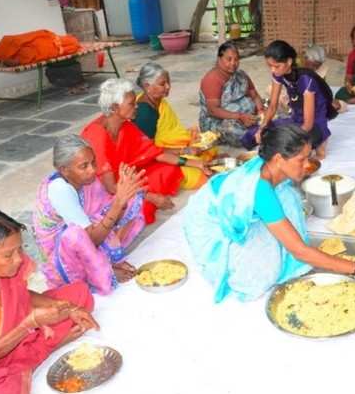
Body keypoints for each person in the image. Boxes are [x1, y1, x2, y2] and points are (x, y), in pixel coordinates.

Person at [182, 125, 355, 303]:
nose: (308, 165)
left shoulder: (271, 170)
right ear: (279, 159)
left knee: (289, 200)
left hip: (243, 201)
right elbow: (299, 251)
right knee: (260, 275)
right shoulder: (260, 191)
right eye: (301, 160)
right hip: (209, 223)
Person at [0, 208, 99, 394]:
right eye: (8, 255)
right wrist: (29, 324)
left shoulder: (4, 267)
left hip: (18, 332)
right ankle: (39, 352)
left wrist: (67, 309)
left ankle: (33, 353)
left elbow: (20, 296)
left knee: (79, 295)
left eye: (20, 249)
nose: (18, 259)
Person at [81, 78, 211, 224]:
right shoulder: (97, 134)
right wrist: (151, 197)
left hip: (126, 178)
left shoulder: (126, 126)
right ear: (114, 108)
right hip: (104, 189)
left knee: (168, 169)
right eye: (131, 103)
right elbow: (110, 187)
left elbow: (155, 153)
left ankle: (144, 196)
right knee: (140, 208)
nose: (136, 106)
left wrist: (192, 162)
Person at [33, 135, 147, 295]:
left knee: (132, 198)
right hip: (62, 253)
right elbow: (89, 239)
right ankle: (100, 273)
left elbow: (103, 208)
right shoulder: (60, 190)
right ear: (64, 169)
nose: (92, 170)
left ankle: (108, 260)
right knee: (76, 235)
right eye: (84, 166)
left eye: (93, 162)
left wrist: (123, 198)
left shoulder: (86, 180)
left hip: (87, 232)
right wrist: (118, 203)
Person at [134, 62, 218, 187]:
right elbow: (151, 152)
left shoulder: (157, 101)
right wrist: (184, 151)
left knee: (206, 146)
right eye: (162, 84)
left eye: (168, 82)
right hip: (153, 157)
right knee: (196, 172)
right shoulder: (145, 113)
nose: (168, 87)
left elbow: (170, 130)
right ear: (147, 86)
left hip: (168, 147)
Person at [256, 40, 338, 159]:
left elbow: (308, 123)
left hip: (314, 125)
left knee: (288, 146)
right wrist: (262, 127)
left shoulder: (306, 80)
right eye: (270, 66)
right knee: (264, 132)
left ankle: (321, 141)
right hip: (296, 121)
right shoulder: (278, 75)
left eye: (276, 66)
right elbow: (272, 106)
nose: (272, 70)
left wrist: (289, 138)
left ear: (289, 62)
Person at [198, 41, 265, 148]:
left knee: (269, 115)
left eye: (236, 59)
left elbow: (254, 95)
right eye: (229, 59)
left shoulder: (241, 75)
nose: (233, 63)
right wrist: (239, 117)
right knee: (233, 131)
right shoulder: (212, 79)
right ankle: (255, 136)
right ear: (219, 59)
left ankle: (258, 132)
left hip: (246, 118)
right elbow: (213, 110)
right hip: (219, 121)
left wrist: (261, 110)